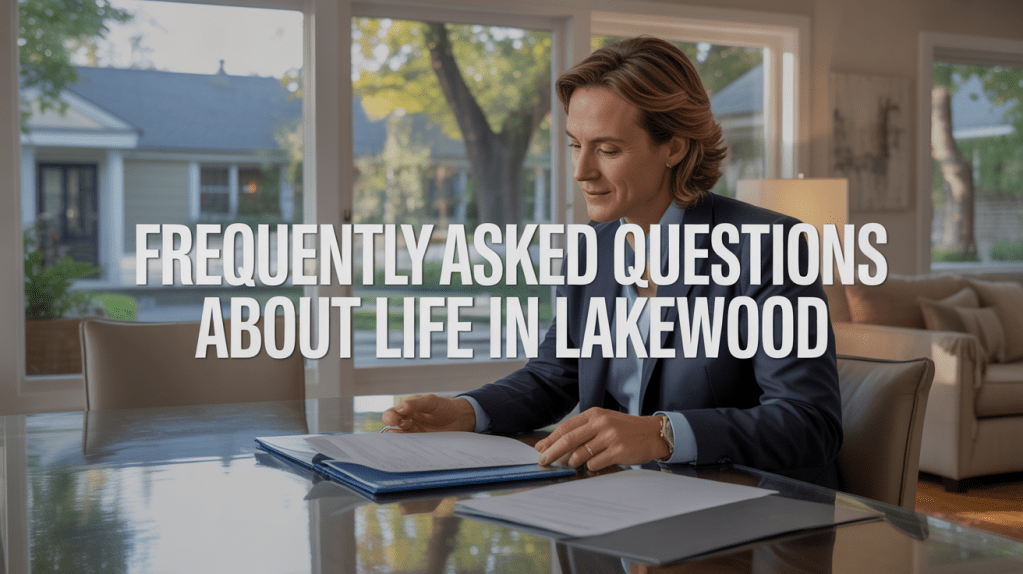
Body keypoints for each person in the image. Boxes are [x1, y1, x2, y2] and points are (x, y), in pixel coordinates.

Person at [383, 36, 843, 488]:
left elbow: (808, 422)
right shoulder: (592, 248)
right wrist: (466, 411)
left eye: (608, 150)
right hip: (621, 500)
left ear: (674, 147)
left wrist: (662, 433)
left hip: (747, 518)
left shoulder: (768, 245)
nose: (582, 171)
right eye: (574, 145)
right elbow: (554, 376)